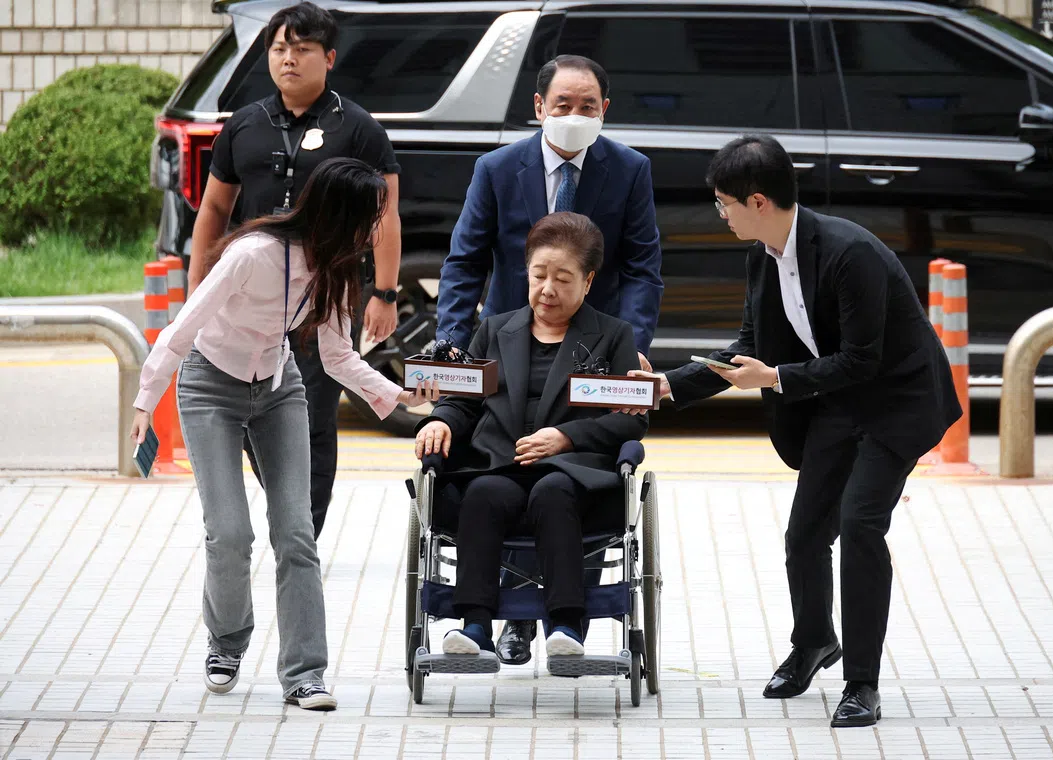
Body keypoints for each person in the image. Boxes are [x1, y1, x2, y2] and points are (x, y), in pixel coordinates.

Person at [634, 136, 961, 728]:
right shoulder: (763, 254)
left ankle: (862, 682)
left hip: (894, 402)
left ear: (757, 200)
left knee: (861, 525)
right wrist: (670, 385)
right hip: (835, 401)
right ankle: (814, 642)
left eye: (723, 204)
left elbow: (863, 359)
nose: (721, 214)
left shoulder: (848, 253)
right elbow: (749, 348)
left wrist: (778, 377)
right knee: (804, 533)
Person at [129, 158, 438, 710]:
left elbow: (339, 357)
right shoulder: (252, 255)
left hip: (278, 388)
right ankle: (226, 642)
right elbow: (185, 326)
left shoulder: (337, 268)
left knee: (296, 533)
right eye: (371, 219)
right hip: (210, 387)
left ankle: (305, 673)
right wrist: (144, 402)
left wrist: (399, 397)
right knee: (230, 534)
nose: (376, 231)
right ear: (341, 215)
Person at [434, 54, 664, 663]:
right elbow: (466, 261)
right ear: (538, 108)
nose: (574, 115)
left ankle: (562, 620)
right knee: (497, 474)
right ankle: (501, 618)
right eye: (562, 105)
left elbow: (642, 265)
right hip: (510, 338)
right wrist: (455, 345)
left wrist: (631, 347)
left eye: (588, 106)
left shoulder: (629, 169)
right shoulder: (496, 168)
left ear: (604, 110)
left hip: (591, 347)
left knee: (557, 485)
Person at [188, 1, 403, 540]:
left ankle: (303, 530)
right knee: (244, 408)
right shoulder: (245, 124)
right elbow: (213, 210)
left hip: (324, 293)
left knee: (312, 411)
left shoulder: (357, 128)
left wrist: (384, 291)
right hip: (247, 296)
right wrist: (197, 289)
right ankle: (287, 502)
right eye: (279, 48)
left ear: (328, 58)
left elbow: (385, 213)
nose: (289, 59)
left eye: (303, 49)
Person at [415, 212, 649, 664]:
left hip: (573, 471)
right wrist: (441, 418)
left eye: (563, 279)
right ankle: (476, 627)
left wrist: (565, 437)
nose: (547, 289)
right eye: (539, 275)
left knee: (552, 492)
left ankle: (565, 627)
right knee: (482, 492)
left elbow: (630, 420)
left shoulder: (613, 336)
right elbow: (464, 400)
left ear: (588, 280)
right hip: (500, 462)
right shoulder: (495, 330)